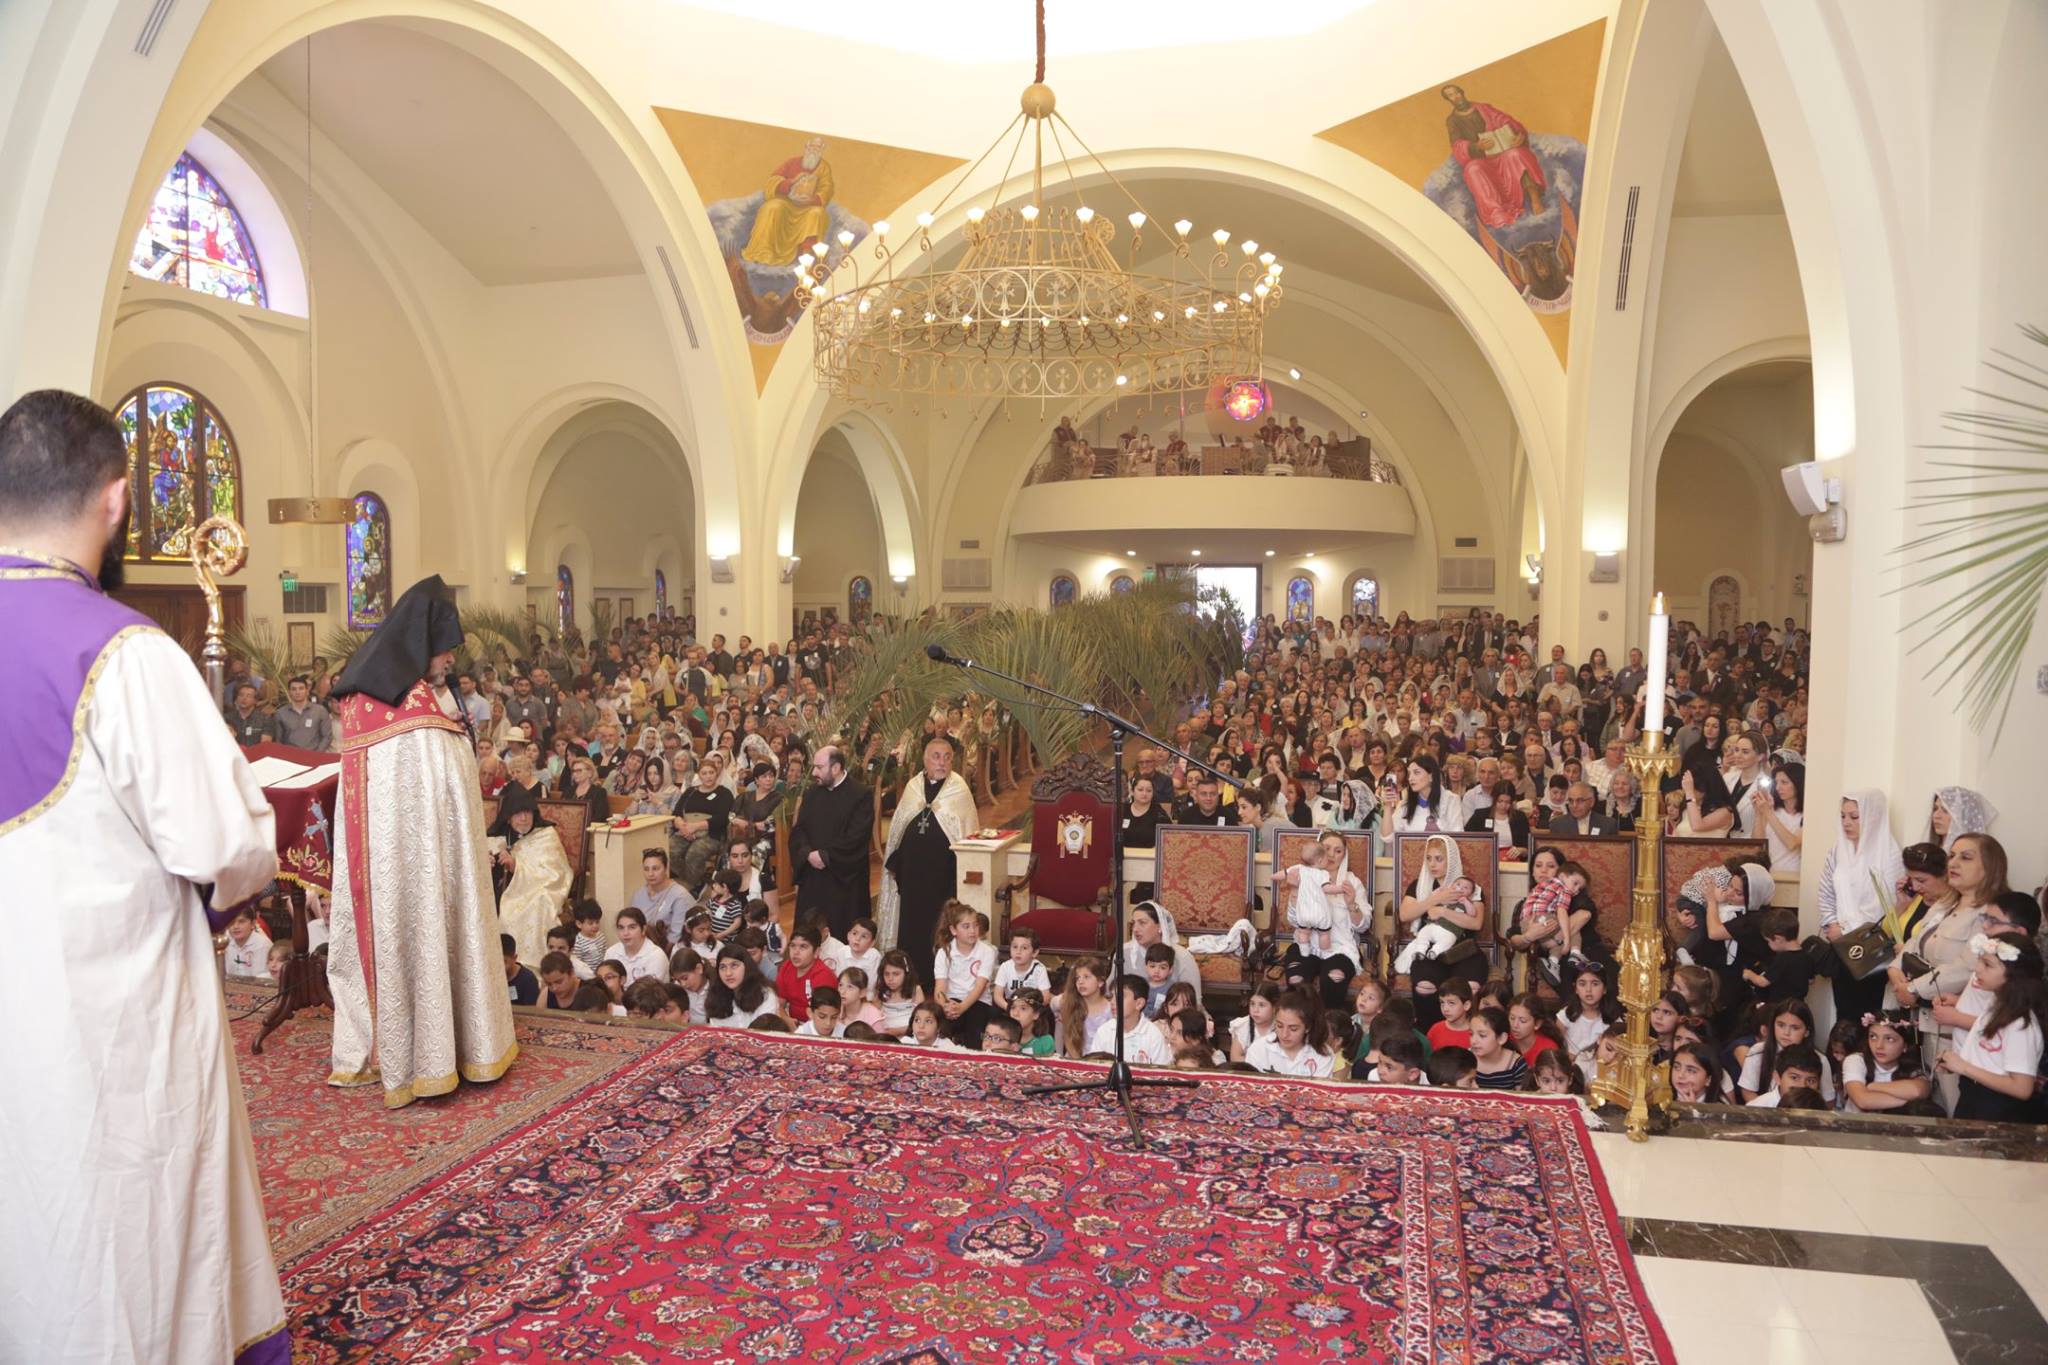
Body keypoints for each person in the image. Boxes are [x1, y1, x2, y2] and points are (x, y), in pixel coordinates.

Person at [0, 388, 289, 1364]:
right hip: (105, 1023)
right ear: (118, 501)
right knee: (116, 1235)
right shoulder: (120, 653)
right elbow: (226, 845)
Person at [327, 574, 519, 1110]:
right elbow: (433, 786)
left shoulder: (388, 697)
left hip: (416, 861)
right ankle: (426, 1052)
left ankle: (437, 1043)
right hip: (409, 867)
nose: (451, 662)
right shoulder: (406, 710)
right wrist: (451, 734)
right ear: (420, 645)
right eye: (445, 652)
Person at [877, 735, 978, 982]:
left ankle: (938, 980)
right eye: (936, 756)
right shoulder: (913, 787)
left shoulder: (959, 788)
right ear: (925, 758)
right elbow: (899, 829)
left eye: (947, 757)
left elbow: (967, 832)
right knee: (911, 930)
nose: (941, 762)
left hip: (942, 880)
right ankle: (909, 978)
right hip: (911, 879)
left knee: (939, 929)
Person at [1816, 788, 1907, 1023]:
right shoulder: (1838, 850)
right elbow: (1826, 890)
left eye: (1854, 817)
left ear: (1872, 816)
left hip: (1874, 950)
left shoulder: (1889, 854)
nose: (1846, 823)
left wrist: (1861, 932)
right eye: (1843, 816)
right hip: (1842, 944)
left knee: (1870, 1015)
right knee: (1844, 1013)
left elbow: (1894, 903)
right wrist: (1831, 925)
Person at [1939, 931, 2047, 1122]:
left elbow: (2022, 1088)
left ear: (2014, 975)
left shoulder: (2019, 1023)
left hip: (1996, 1108)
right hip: (1973, 1095)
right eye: (1980, 961)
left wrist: (1965, 1067)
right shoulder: (1995, 1005)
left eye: (1987, 965)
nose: (1978, 970)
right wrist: (1956, 1062)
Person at [789, 745, 874, 938]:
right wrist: (807, 853)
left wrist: (825, 855)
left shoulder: (860, 795)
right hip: (813, 876)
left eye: (819, 767)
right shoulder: (812, 794)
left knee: (842, 932)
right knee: (809, 934)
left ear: (835, 768)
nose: (814, 772)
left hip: (844, 879)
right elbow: (799, 830)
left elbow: (857, 836)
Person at [488, 782, 573, 970]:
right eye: (518, 813)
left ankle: (528, 965)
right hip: (497, 892)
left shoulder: (546, 836)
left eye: (528, 812)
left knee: (540, 903)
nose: (525, 818)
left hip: (534, 892)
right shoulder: (496, 838)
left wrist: (515, 866)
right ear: (508, 818)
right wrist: (488, 864)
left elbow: (556, 874)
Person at [270, 673, 335, 751]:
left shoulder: (320, 711)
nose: (297, 692)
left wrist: (316, 754)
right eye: (294, 689)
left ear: (307, 691)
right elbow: (278, 741)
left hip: (314, 757)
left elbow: (327, 736)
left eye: (301, 688)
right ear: (289, 692)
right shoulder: (280, 713)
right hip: (290, 758)